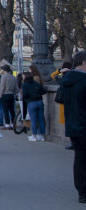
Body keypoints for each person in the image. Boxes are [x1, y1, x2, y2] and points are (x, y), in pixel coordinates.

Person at [61, 51, 86, 203]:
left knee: (79, 158)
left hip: (72, 124)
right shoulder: (84, 80)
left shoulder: (66, 80)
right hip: (84, 123)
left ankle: (82, 192)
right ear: (84, 63)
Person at [22, 70, 46, 141]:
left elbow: (25, 94)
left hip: (31, 102)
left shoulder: (25, 84)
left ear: (25, 77)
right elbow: (44, 90)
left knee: (33, 120)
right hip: (40, 101)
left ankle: (34, 135)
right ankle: (41, 136)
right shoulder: (35, 83)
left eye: (23, 76)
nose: (22, 77)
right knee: (41, 119)